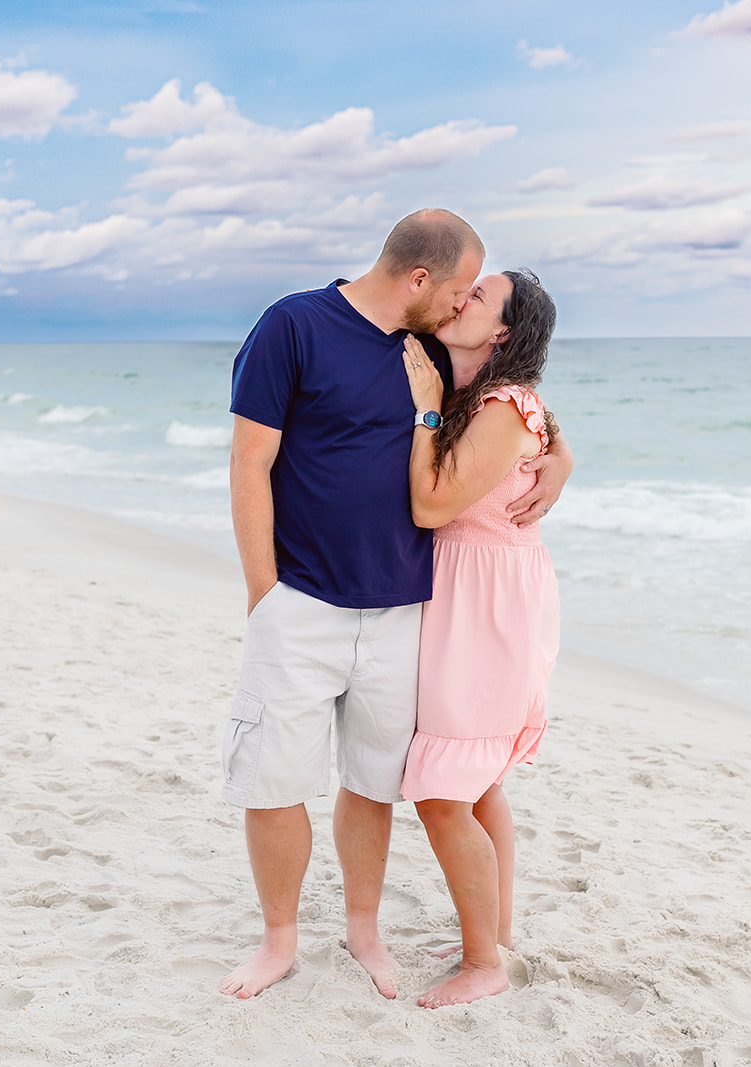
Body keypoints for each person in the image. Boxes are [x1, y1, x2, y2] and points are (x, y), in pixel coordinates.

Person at [219, 211, 574, 1000]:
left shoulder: (432, 357)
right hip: (300, 597)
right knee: (275, 781)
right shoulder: (294, 325)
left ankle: (363, 929)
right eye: (456, 291)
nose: (459, 307)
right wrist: (262, 592)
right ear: (420, 280)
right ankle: (279, 941)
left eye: (470, 298)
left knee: (374, 783)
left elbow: (514, 407)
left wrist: (562, 456)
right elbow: (250, 461)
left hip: (407, 608)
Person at [398, 268, 560, 1008]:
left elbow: (433, 505)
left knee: (442, 790)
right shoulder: (478, 395)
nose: (460, 298)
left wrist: (428, 413)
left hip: (488, 607)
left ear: (503, 332)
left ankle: (482, 963)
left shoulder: (500, 404)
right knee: (480, 779)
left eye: (480, 296)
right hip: (469, 594)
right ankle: (495, 933)